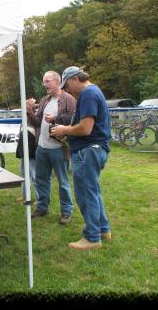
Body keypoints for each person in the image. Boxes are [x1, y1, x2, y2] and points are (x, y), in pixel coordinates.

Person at [50, 66, 112, 250]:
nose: (67, 90)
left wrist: (64, 130)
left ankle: (92, 238)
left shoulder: (88, 94)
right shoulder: (93, 92)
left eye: (67, 85)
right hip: (93, 149)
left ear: (76, 79)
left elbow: (85, 128)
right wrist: (67, 134)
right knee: (93, 191)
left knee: (85, 193)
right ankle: (103, 229)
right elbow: (84, 127)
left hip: (88, 151)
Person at [27, 71, 76, 224]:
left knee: (63, 181)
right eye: (44, 81)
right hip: (42, 147)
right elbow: (36, 122)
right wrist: (29, 111)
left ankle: (66, 212)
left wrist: (56, 119)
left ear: (57, 81)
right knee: (41, 179)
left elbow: (75, 122)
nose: (45, 84)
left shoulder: (69, 99)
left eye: (47, 81)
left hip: (59, 148)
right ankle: (42, 207)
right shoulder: (44, 100)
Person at [15, 121, 39, 203]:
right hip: (23, 153)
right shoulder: (23, 121)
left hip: (32, 153)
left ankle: (38, 198)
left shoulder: (36, 120)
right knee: (24, 174)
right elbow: (20, 138)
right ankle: (25, 195)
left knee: (34, 175)